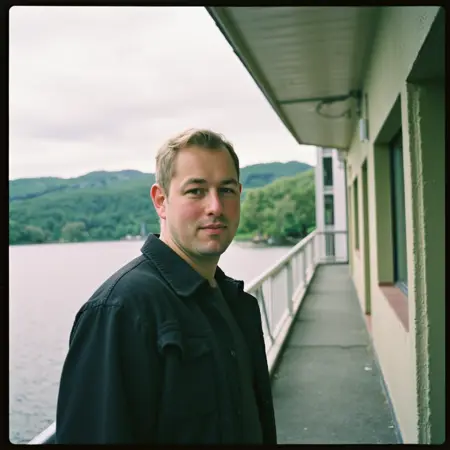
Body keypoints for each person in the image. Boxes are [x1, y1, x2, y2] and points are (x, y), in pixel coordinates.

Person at [55, 128, 277, 444]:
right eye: (196, 191)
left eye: (226, 190)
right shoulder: (120, 310)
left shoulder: (233, 301)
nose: (215, 206)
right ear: (161, 201)